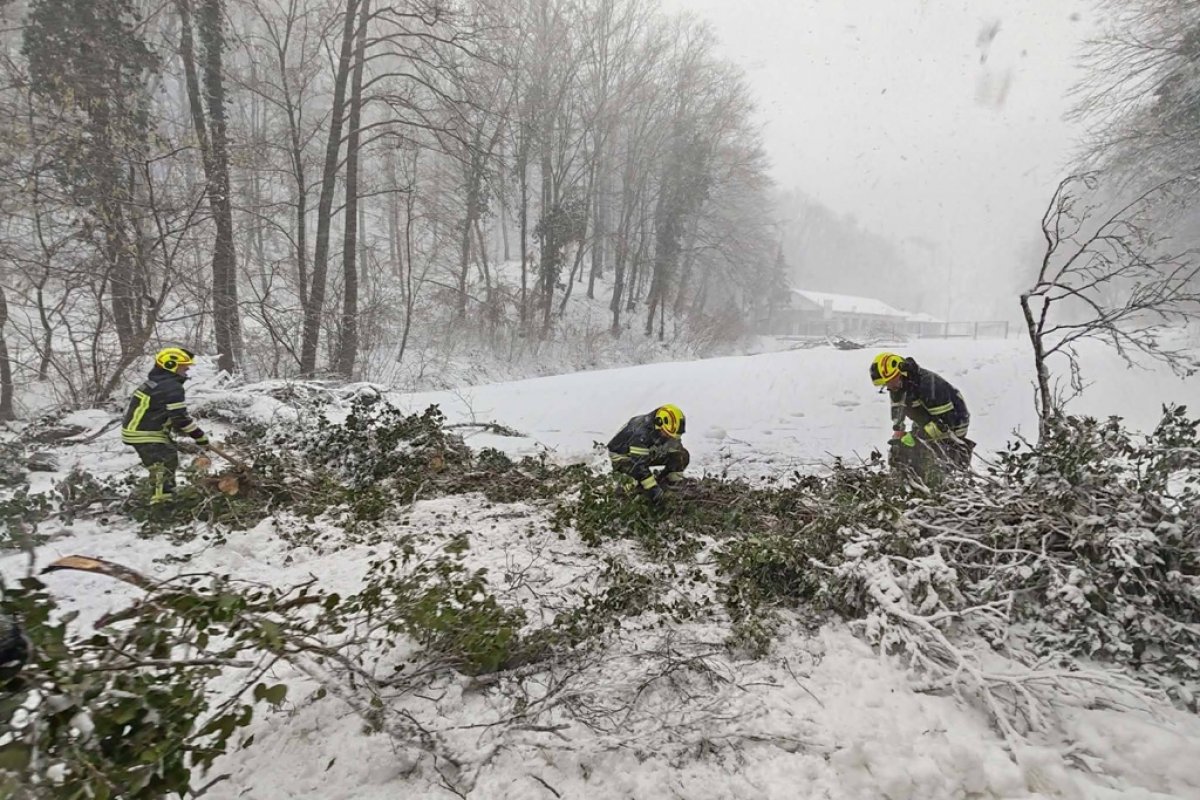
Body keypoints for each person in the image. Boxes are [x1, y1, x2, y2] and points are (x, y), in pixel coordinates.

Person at [121, 347, 209, 502]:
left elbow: (165, 412)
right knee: (163, 464)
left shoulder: (156, 383)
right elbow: (180, 418)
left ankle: (164, 494)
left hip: (144, 431)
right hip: (145, 433)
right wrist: (200, 437)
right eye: (183, 365)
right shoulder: (170, 387)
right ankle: (162, 502)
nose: (187, 369)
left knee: (165, 460)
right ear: (170, 365)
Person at [869, 352, 972, 471]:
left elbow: (944, 425)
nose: (889, 387)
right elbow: (898, 411)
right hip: (929, 417)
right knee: (908, 449)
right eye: (886, 384)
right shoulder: (898, 386)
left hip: (954, 422)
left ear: (902, 372)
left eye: (890, 382)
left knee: (932, 458)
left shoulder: (929, 385)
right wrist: (898, 434)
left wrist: (915, 438)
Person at [607, 404, 689, 503]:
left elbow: (676, 450)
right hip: (624, 456)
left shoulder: (667, 432)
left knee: (682, 455)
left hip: (647, 452)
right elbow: (638, 464)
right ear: (659, 423)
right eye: (667, 434)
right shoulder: (641, 432)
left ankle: (669, 481)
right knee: (634, 480)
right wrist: (652, 488)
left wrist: (676, 469)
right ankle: (625, 490)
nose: (669, 438)